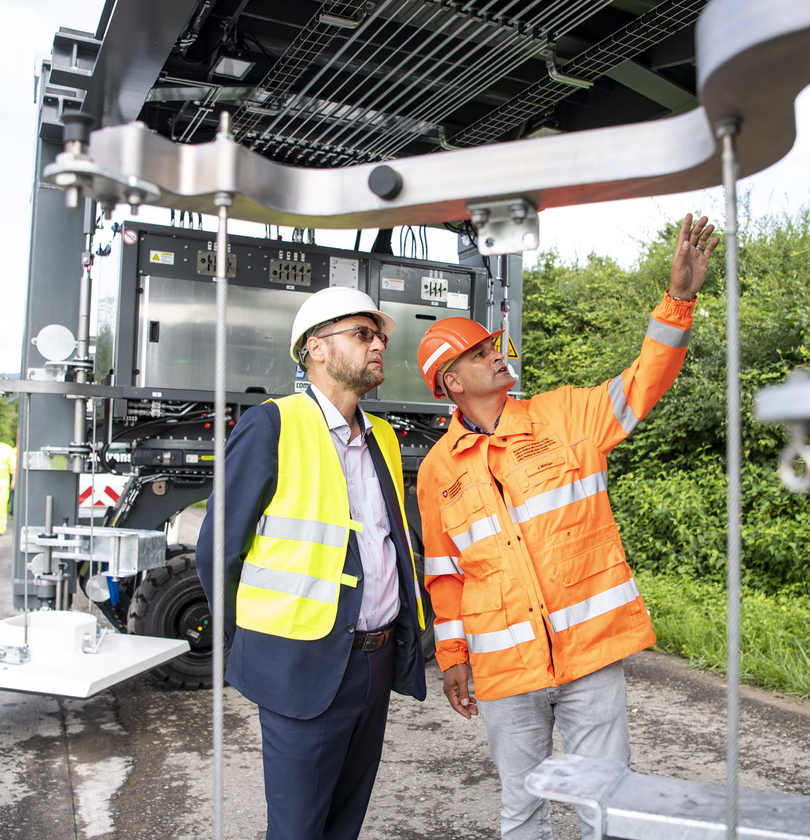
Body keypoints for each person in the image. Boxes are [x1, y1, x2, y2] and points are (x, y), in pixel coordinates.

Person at [415, 214, 718, 839]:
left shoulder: (567, 414)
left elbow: (644, 379)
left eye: (493, 346)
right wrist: (452, 657)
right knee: (523, 807)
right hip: (505, 671)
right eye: (480, 354)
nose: (498, 356)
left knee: (606, 803)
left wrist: (680, 300)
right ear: (452, 381)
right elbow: (444, 573)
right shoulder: (436, 470)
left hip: (589, 658)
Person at [196, 286, 428, 840]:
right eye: (363, 334)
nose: (378, 347)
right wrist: (252, 639)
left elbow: (386, 544)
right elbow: (216, 549)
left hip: (372, 661)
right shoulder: (273, 424)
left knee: (343, 826)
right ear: (316, 349)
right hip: (301, 665)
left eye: (379, 337)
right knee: (299, 830)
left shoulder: (384, 440)